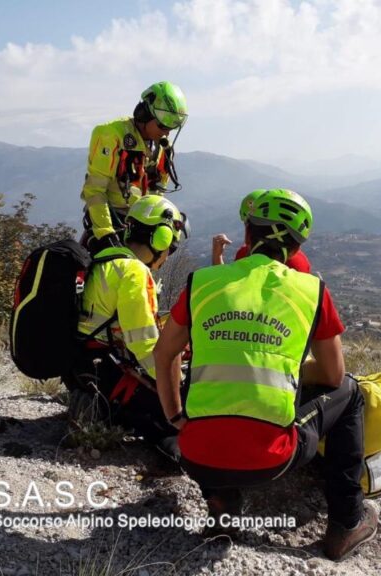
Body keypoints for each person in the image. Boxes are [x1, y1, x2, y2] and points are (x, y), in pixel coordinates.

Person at [155, 189, 378, 561]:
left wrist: (175, 416)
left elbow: (164, 354)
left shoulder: (203, 282)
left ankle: (221, 505)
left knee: (220, 415)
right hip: (273, 457)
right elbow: (333, 374)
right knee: (351, 392)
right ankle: (346, 522)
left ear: (247, 234)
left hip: (194, 452)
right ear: (295, 248)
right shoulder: (312, 290)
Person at [63, 195, 189, 461]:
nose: (167, 256)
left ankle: (96, 407)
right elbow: (144, 345)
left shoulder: (105, 258)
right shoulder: (134, 273)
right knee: (179, 421)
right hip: (108, 373)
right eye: (171, 248)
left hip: (82, 367)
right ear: (162, 239)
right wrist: (177, 386)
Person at [81, 81, 188, 253]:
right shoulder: (112, 135)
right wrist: (105, 233)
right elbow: (94, 190)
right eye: (162, 126)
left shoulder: (163, 149)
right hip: (110, 220)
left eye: (171, 128)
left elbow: (157, 194)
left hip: (139, 226)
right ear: (144, 114)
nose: (166, 132)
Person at [211, 189, 311, 272]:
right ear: (296, 248)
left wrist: (217, 257)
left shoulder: (244, 254)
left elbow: (229, 286)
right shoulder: (300, 264)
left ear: (248, 233)